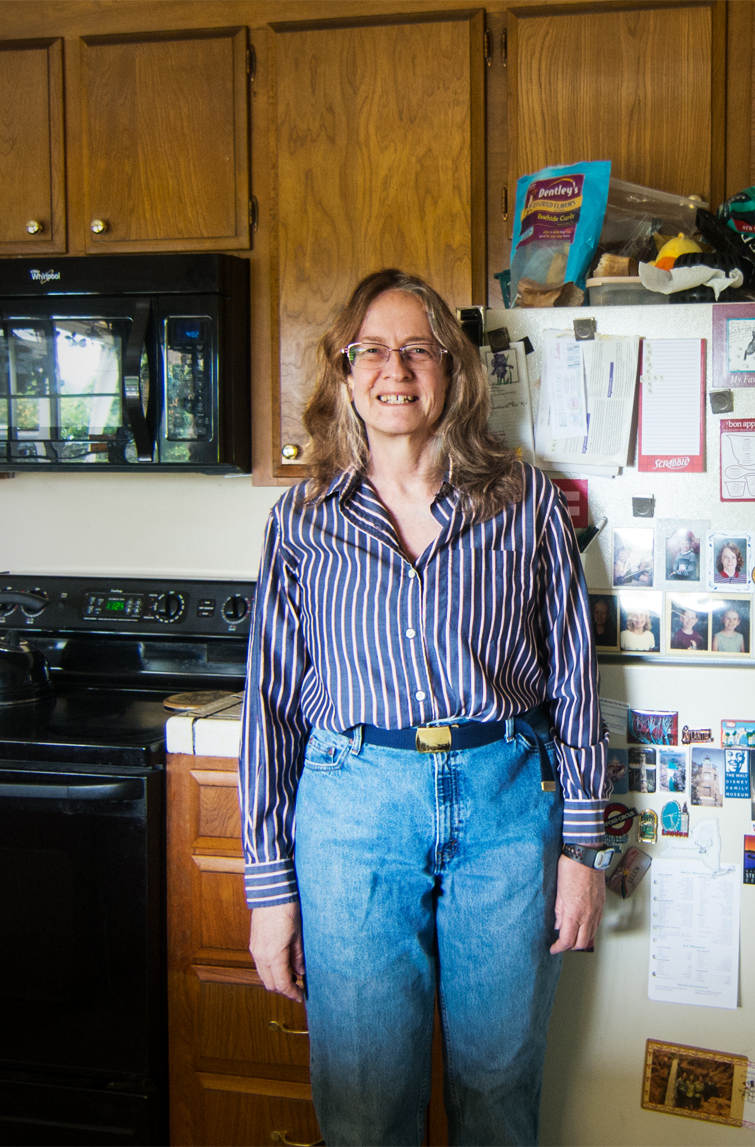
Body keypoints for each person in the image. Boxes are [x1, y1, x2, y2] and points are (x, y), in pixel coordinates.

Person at [238, 269, 608, 1146]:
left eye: (417, 349)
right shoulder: (303, 518)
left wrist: (584, 850)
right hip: (353, 812)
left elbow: (575, 679)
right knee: (366, 1105)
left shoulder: (525, 500)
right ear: (344, 371)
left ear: (453, 369)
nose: (394, 369)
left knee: (499, 1092)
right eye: (370, 350)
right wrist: (270, 889)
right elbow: (271, 704)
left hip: (506, 806)